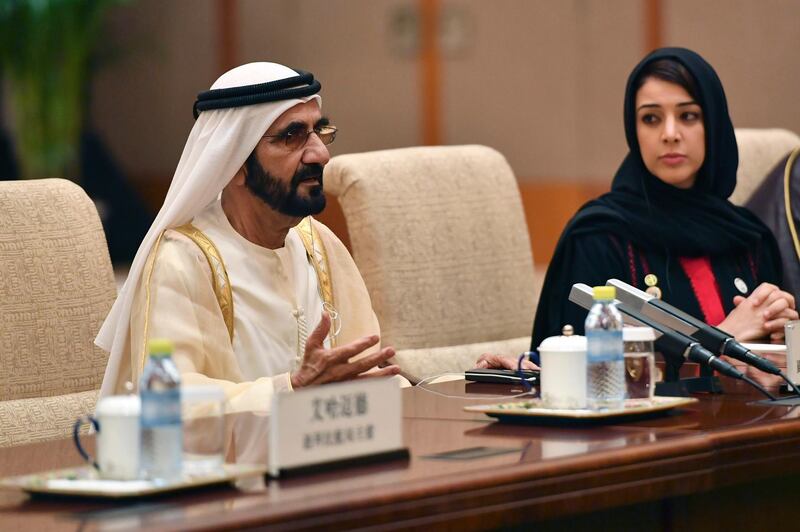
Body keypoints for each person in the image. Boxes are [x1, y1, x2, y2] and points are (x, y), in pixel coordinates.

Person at [96, 63, 400, 411]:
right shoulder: (182, 261)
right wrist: (289, 389)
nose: (320, 153)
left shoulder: (319, 244)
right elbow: (170, 402)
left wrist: (461, 381)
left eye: (319, 131)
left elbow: (370, 370)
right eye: (292, 136)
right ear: (235, 161)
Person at [530, 47, 797, 354]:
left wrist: (780, 333)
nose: (670, 134)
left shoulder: (750, 238)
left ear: (714, 126)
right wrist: (725, 337)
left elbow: (776, 375)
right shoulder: (600, 235)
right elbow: (577, 371)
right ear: (634, 130)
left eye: (688, 116)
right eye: (651, 118)